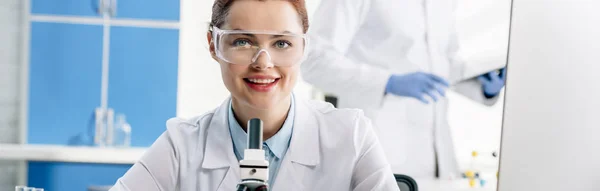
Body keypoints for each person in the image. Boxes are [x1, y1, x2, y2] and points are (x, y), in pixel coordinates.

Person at [108, 0, 400, 190]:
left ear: (304, 48)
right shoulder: (182, 146)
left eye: (282, 43)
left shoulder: (351, 136)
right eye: (243, 41)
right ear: (213, 45)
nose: (263, 62)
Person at [300, 0, 507, 179]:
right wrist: (387, 82)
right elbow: (313, 60)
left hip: (439, 156)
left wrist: (483, 85)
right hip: (381, 145)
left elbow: (445, 64)